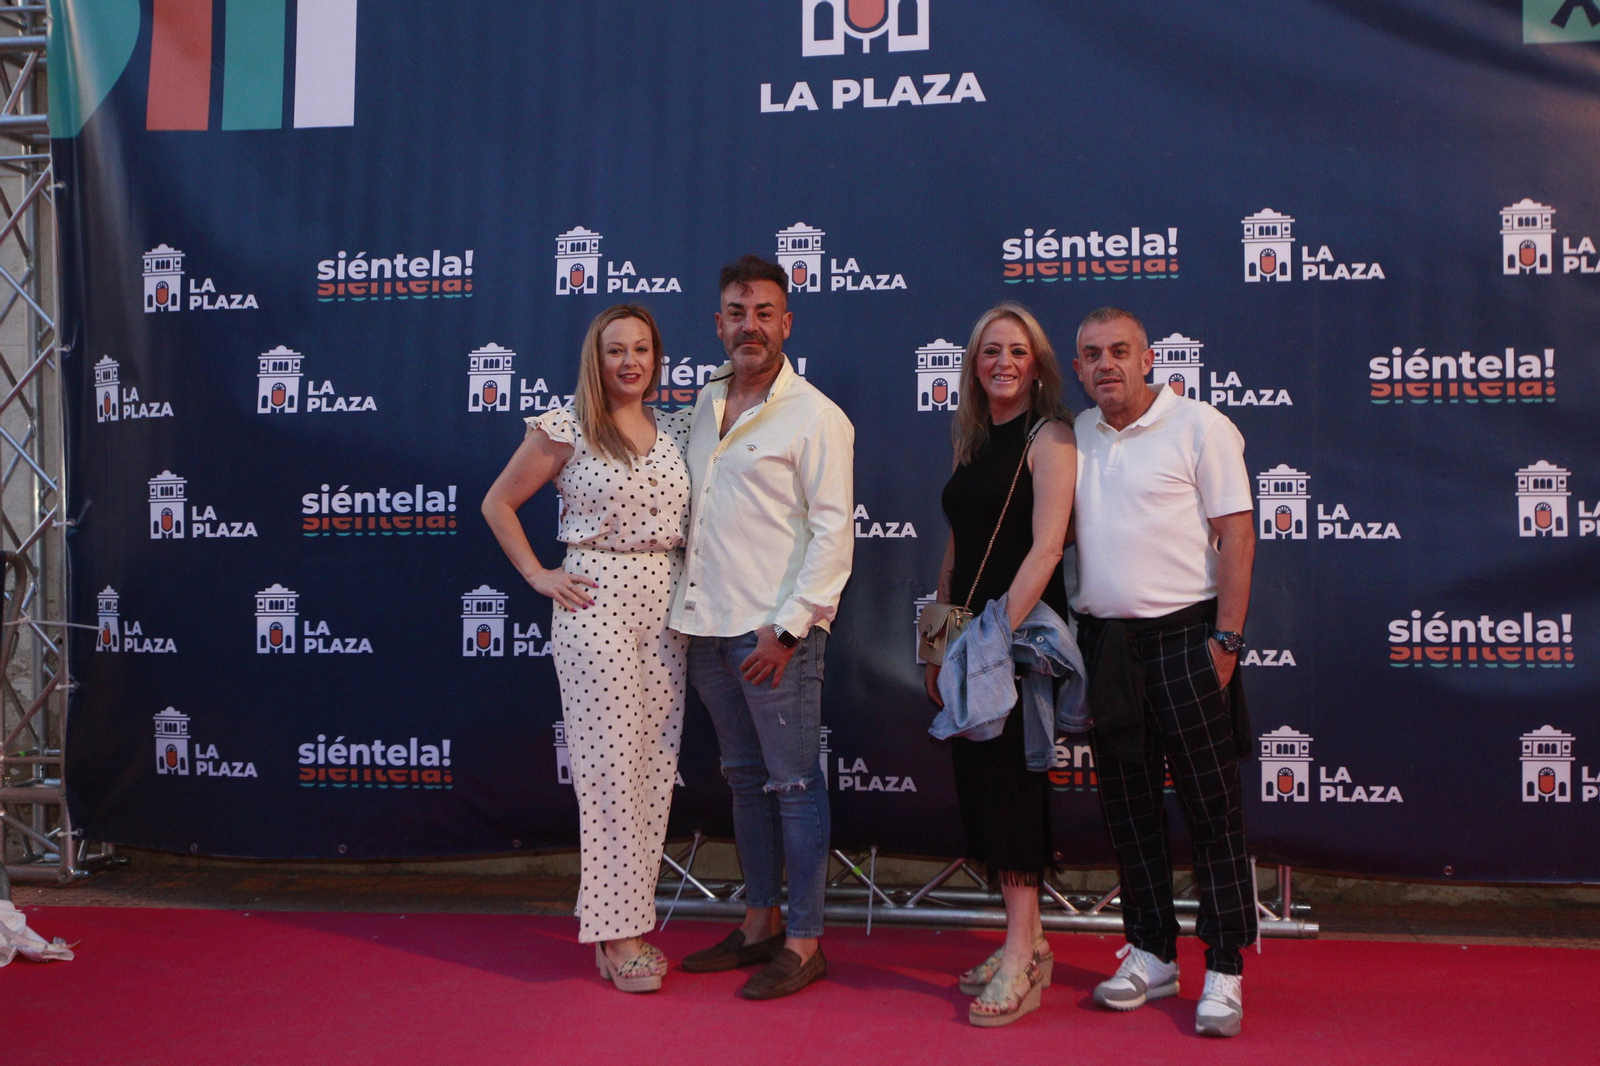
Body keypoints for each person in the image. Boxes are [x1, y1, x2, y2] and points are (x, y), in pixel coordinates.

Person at [481, 304, 691, 994]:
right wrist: (539, 574)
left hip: (666, 606)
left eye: (641, 349)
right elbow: (498, 503)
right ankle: (614, 935)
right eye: (615, 351)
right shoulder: (565, 425)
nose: (629, 362)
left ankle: (625, 917)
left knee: (652, 767)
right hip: (594, 598)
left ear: (657, 358)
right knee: (605, 770)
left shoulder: (679, 428)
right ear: (594, 360)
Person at [1070, 306, 1257, 1038]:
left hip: (1190, 639)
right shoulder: (1073, 436)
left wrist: (1228, 642)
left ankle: (1226, 966)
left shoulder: (1202, 427)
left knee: (1215, 811)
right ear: (1079, 368)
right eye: (1092, 354)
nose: (1106, 364)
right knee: (1129, 808)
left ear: (1149, 359)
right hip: (1108, 646)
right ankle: (1150, 950)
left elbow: (1237, 537)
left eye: (1120, 350)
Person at [672, 255, 854, 1000]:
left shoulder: (816, 415)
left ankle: (806, 941)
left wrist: (789, 631)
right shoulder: (701, 405)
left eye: (765, 311)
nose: (751, 325)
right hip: (706, 631)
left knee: (793, 784)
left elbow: (833, 534)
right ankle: (760, 925)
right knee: (746, 783)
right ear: (718, 324)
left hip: (772, 638)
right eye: (737, 312)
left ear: (787, 321)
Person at [924, 302, 1077, 1027]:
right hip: (971, 636)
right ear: (973, 363)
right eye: (990, 352)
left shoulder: (1050, 438)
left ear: (1037, 363)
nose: (1003, 363)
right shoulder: (972, 439)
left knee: (1014, 786)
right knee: (982, 784)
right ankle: (1033, 939)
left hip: (1019, 638)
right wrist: (944, 640)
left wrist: (990, 637)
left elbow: (1047, 550)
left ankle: (1020, 954)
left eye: (1017, 351)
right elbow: (959, 544)